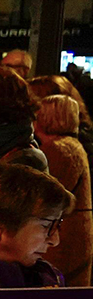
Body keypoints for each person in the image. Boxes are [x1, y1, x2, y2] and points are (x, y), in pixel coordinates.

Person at [33, 96, 92, 286]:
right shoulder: (70, 145)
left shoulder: (58, 150)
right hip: (74, 230)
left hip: (64, 234)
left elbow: (46, 195)